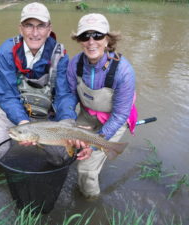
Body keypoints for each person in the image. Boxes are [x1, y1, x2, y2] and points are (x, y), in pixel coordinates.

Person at [0, 2, 77, 172]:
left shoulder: (60, 55)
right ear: (20, 28)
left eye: (40, 26)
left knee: (59, 158)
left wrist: (67, 121)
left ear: (49, 28)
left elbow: (64, 94)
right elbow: (7, 95)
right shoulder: (6, 52)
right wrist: (23, 124)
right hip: (13, 113)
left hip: (46, 118)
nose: (35, 32)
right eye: (29, 26)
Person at [67, 13, 137, 200]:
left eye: (97, 35)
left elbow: (121, 113)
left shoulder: (124, 71)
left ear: (108, 39)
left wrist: (95, 144)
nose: (91, 42)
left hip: (114, 118)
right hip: (86, 115)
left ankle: (91, 202)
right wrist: (67, 122)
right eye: (85, 36)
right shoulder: (75, 64)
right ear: (79, 40)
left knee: (85, 168)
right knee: (70, 148)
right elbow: (70, 97)